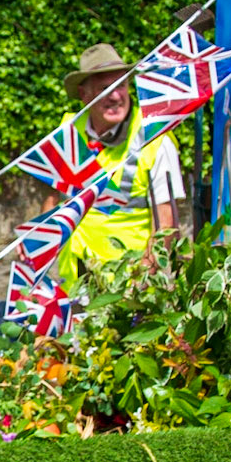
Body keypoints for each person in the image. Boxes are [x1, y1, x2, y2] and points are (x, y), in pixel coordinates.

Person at [54, 42, 185, 292]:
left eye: (121, 85)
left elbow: (166, 224)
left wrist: (142, 278)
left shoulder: (155, 140)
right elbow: (52, 197)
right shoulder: (67, 131)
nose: (116, 96)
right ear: (84, 94)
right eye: (106, 88)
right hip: (75, 285)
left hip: (130, 290)